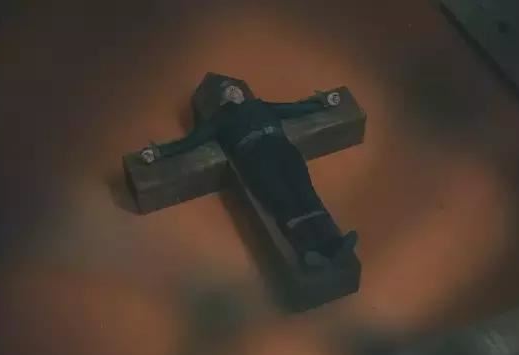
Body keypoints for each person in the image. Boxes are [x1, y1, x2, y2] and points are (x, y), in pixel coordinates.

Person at [140, 81, 357, 271]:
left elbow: (293, 109)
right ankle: (308, 251)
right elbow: (192, 141)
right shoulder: (219, 120)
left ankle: (334, 245)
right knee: (283, 200)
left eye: (235, 89)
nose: (234, 92)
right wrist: (159, 152)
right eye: (228, 92)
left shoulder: (260, 106)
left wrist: (323, 102)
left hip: (282, 149)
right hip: (256, 156)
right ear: (223, 101)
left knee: (306, 194)